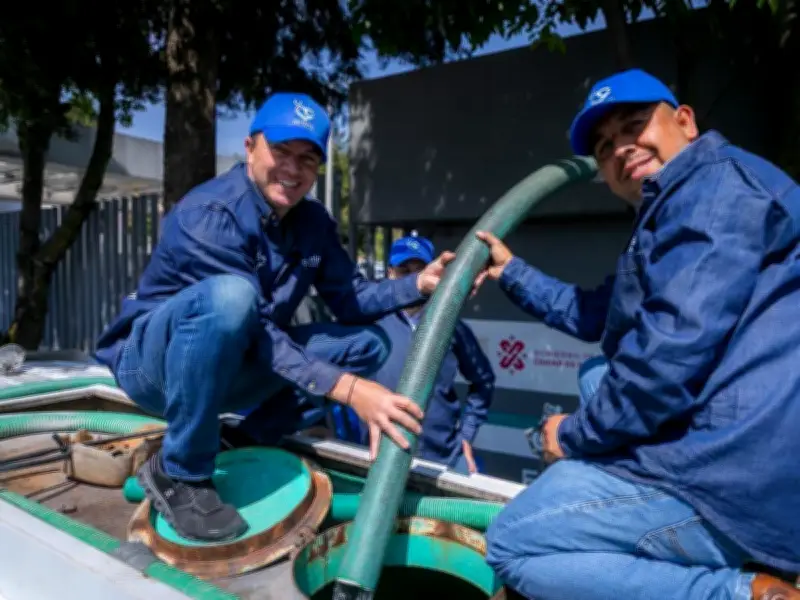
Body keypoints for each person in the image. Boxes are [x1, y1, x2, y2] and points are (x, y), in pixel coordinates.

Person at [479, 68, 800, 599]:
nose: (621, 147)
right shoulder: (676, 207)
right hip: (752, 436)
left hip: (740, 472)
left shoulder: (714, 191)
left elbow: (664, 361)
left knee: (513, 544)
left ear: (685, 121)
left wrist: (573, 435)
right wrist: (511, 272)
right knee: (595, 374)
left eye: (634, 125)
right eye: (605, 146)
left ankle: (739, 592)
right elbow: (596, 316)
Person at [94, 92, 460, 543]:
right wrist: (348, 389)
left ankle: (242, 440)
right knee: (232, 296)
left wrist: (418, 285)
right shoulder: (210, 213)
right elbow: (253, 324)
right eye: (281, 152)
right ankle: (181, 472)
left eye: (307, 159)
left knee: (369, 343)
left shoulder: (313, 224)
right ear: (250, 148)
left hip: (232, 365)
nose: (292, 168)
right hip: (154, 368)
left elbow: (351, 299)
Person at [331, 235, 495, 474]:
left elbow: (483, 381)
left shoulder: (450, 323)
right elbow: (330, 374)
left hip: (441, 457)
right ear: (390, 272)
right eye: (403, 270)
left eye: (420, 270)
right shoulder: (368, 323)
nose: (412, 277)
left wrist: (466, 435)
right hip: (378, 455)